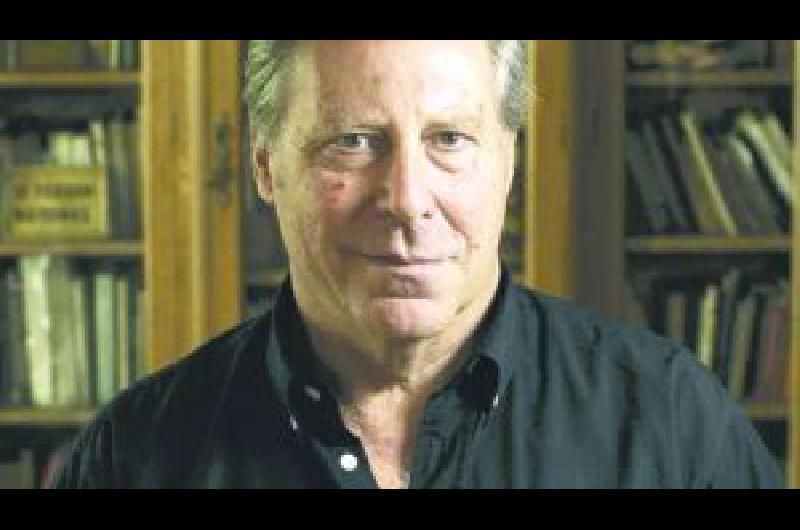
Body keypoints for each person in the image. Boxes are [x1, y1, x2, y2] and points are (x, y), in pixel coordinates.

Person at [50, 40, 781, 488]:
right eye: (354, 141)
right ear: (266, 164)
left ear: (509, 161)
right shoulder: (136, 457)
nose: (406, 199)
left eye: (449, 140)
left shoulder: (669, 425)